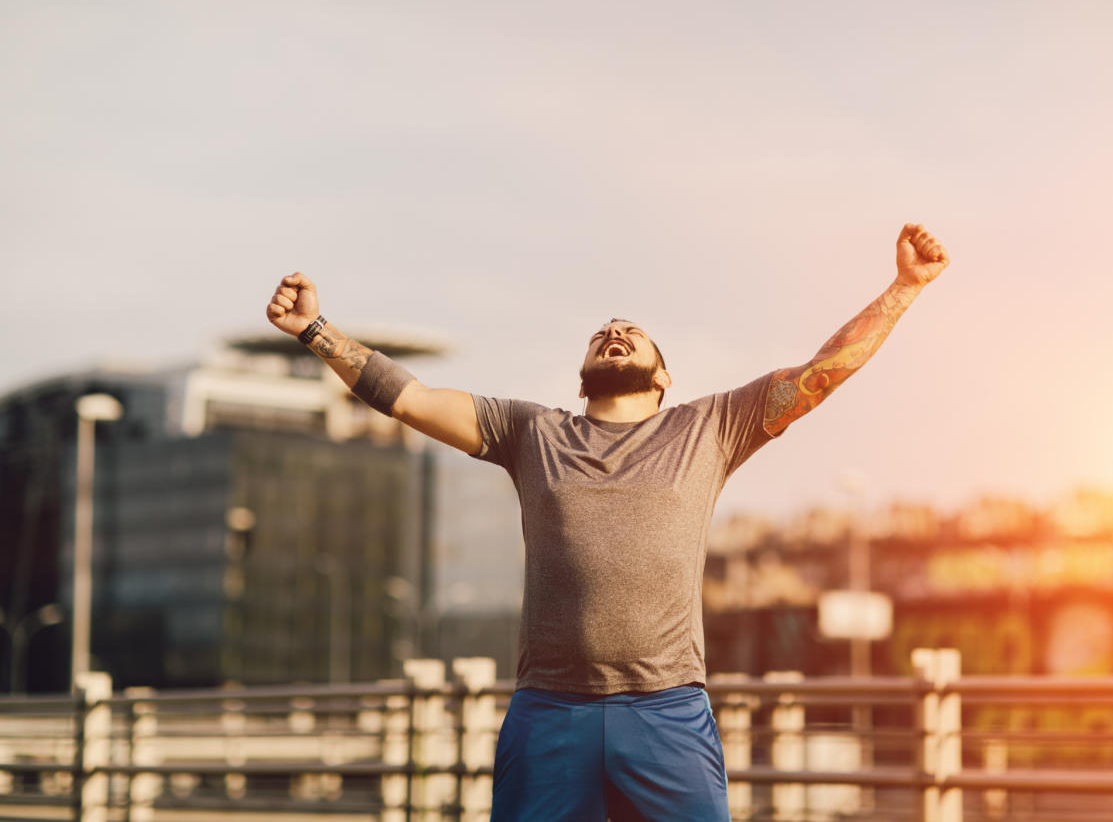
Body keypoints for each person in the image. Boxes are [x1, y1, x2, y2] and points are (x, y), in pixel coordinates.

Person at [266, 222, 949, 821]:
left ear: (663, 376)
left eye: (631, 332)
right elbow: (411, 400)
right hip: (549, 715)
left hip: (667, 713)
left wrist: (904, 287)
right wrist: (315, 331)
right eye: (602, 333)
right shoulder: (530, 430)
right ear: (584, 373)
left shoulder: (711, 427)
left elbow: (821, 373)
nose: (614, 332)